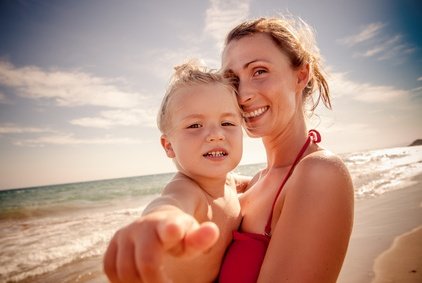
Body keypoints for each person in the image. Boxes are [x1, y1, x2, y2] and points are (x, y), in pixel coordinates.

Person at [218, 16, 354, 283]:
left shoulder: (320, 173)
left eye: (259, 71)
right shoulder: (253, 183)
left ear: (301, 75)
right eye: (232, 79)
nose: (243, 94)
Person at [103, 61, 246, 283]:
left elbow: (248, 181)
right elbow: (171, 203)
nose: (216, 134)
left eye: (227, 122)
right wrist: (159, 221)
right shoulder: (188, 189)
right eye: (194, 126)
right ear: (169, 146)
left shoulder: (228, 182)